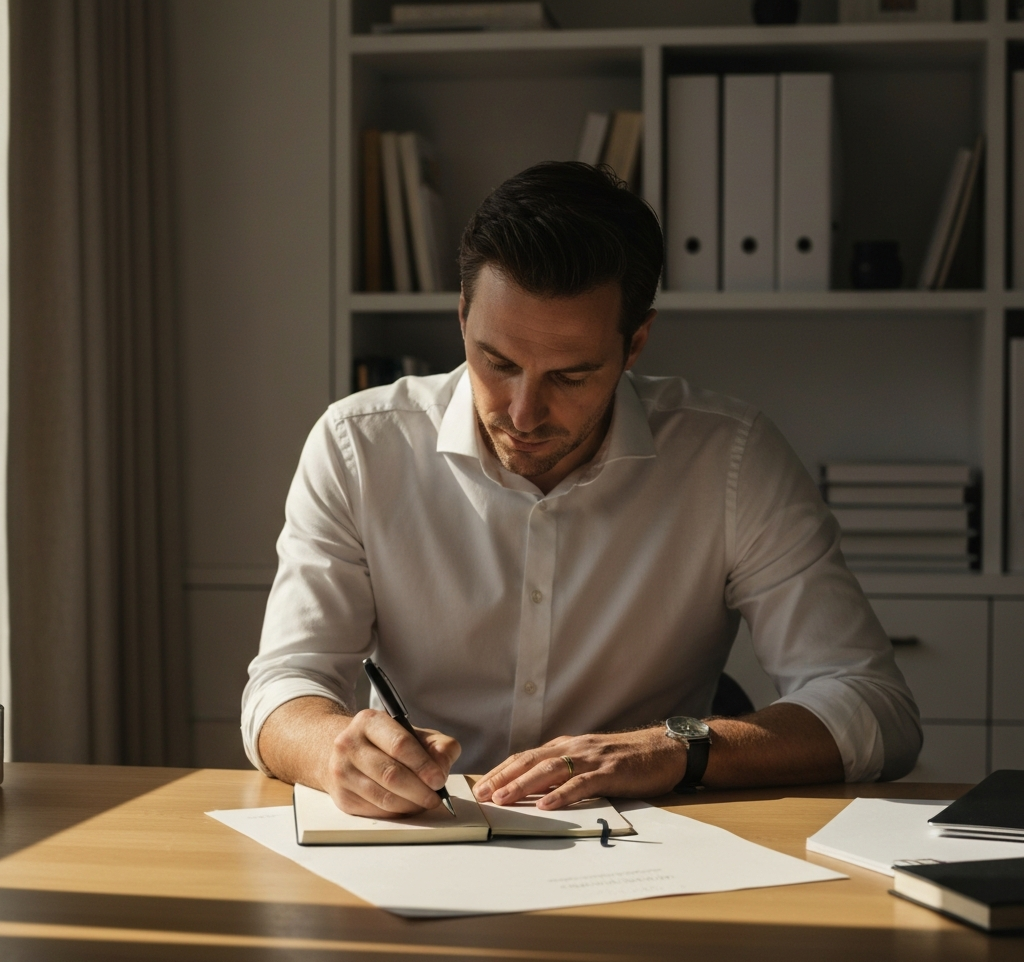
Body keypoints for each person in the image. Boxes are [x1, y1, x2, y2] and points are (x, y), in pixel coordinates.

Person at [243, 161, 921, 818]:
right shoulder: (357, 447)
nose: (523, 412)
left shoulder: (730, 459)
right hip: (426, 834)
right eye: (497, 362)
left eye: (569, 377)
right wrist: (337, 750)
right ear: (461, 317)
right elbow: (281, 689)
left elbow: (874, 706)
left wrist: (676, 747)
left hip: (648, 851)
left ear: (636, 344)